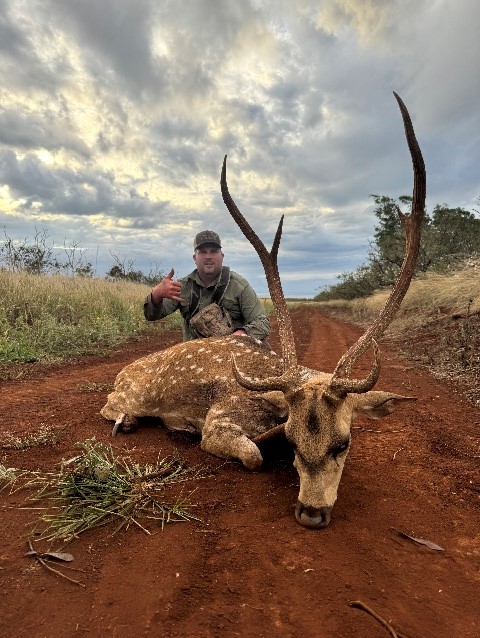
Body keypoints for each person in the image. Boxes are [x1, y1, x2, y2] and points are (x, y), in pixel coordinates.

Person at [144, 230, 271, 342]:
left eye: (213, 251)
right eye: (202, 252)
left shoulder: (239, 285)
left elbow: (262, 323)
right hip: (195, 355)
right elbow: (151, 316)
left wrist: (241, 334)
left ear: (222, 256)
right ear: (194, 258)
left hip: (231, 353)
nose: (208, 256)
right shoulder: (182, 286)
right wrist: (156, 294)